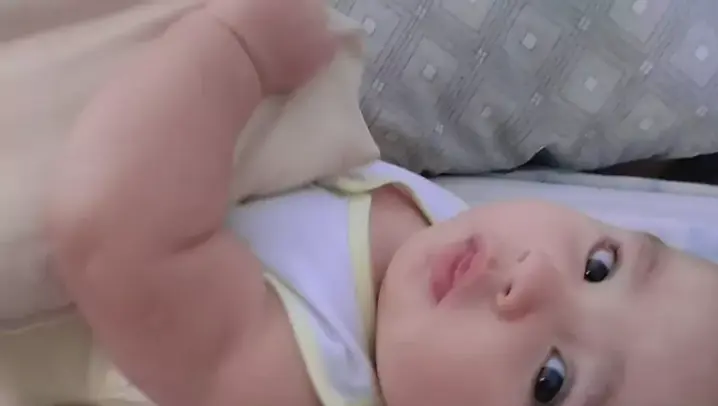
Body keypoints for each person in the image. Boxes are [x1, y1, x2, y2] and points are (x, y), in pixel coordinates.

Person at [48, 0, 718, 405]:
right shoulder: (452, 243)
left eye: (551, 381)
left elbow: (111, 238)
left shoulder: (300, 379)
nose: (537, 275)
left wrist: (237, 51)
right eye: (601, 265)